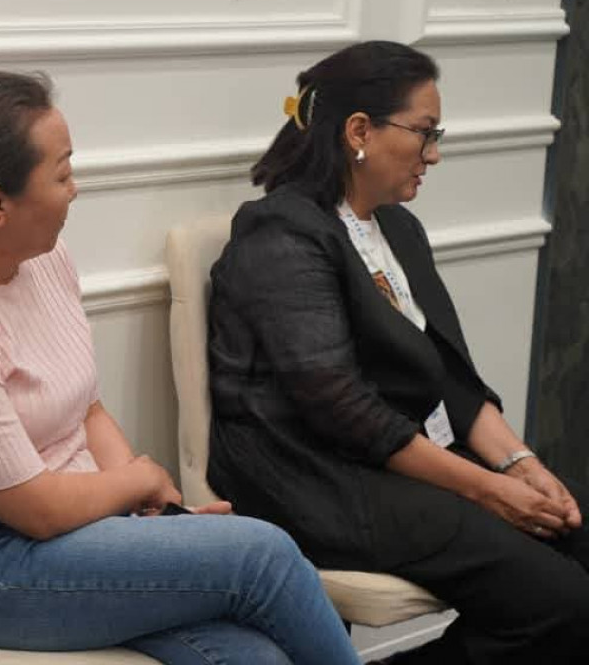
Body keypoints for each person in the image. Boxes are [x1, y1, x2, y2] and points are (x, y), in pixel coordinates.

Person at [0, 70, 361, 665]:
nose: (75, 189)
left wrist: (152, 516)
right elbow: (36, 508)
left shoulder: (42, 259)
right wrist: (139, 481)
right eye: (61, 173)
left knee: (254, 657)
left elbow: (85, 409)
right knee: (262, 556)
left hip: (68, 519)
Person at [206, 40, 589, 664]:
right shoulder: (281, 234)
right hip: (316, 479)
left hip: (399, 459)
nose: (433, 154)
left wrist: (521, 465)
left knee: (575, 528)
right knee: (561, 602)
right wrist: (487, 490)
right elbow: (342, 410)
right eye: (424, 133)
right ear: (359, 131)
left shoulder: (398, 227)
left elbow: (451, 377)